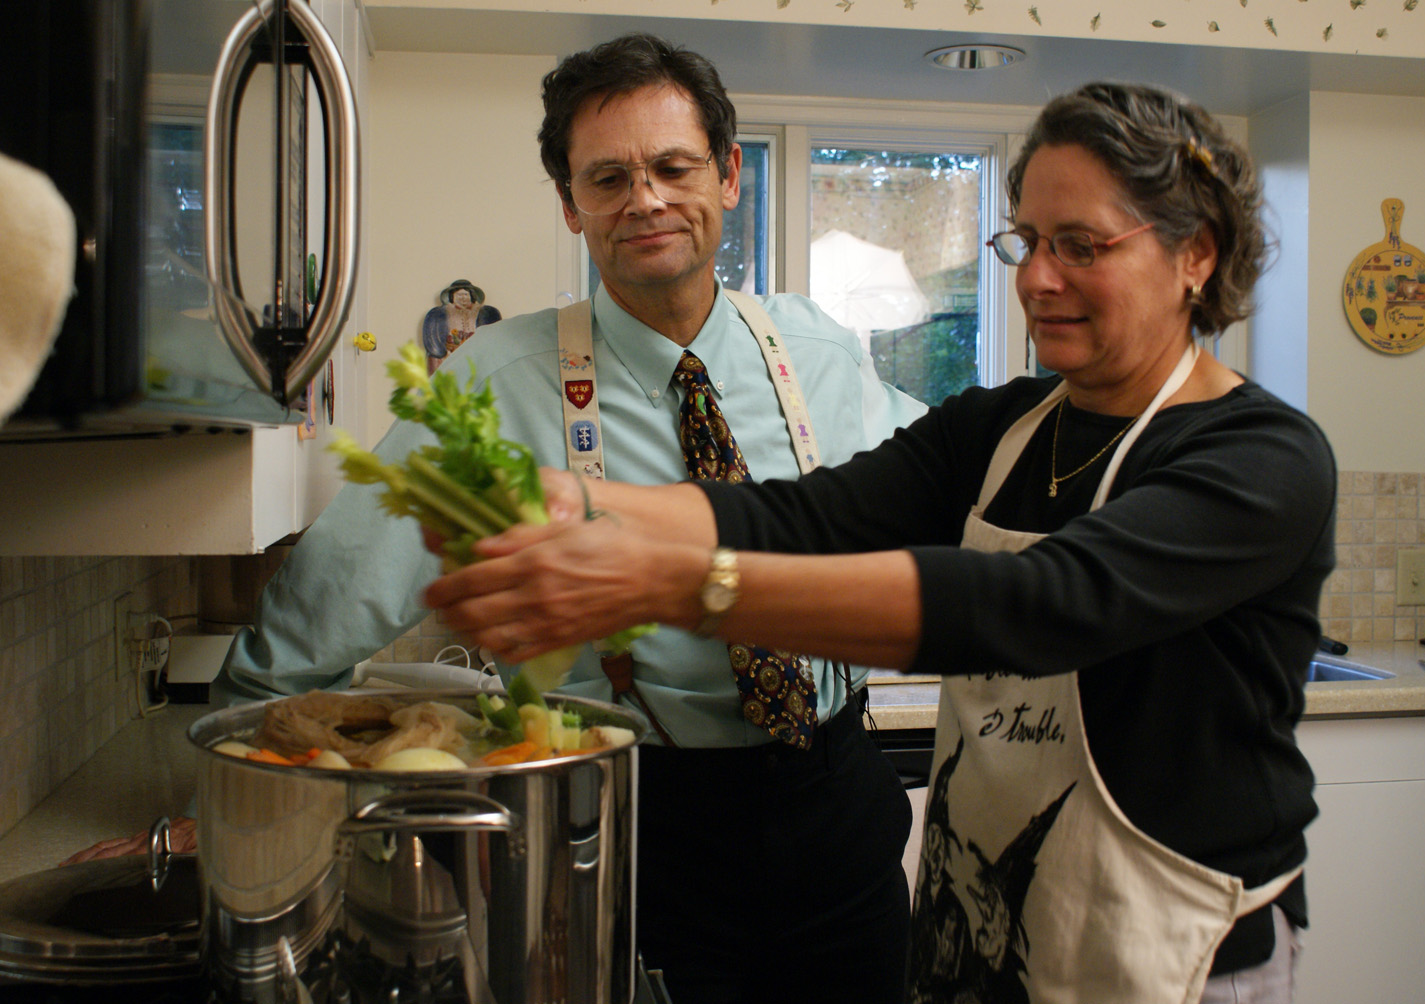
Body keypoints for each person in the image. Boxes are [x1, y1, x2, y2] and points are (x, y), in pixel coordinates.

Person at [424, 81, 1336, 1004]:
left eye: (1081, 247)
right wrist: (573, 507)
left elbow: (1034, 605)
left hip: (1171, 951)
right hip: (981, 930)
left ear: (1196, 255)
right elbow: (802, 516)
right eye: (1025, 242)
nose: (1037, 278)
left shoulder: (1260, 457)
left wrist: (666, 583)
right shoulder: (1003, 427)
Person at [91, 32, 919, 1004]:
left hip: (836, 804)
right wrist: (234, 789)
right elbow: (337, 587)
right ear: (571, 205)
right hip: (625, 816)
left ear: (730, 175)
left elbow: (954, 489)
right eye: (608, 176)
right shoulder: (495, 377)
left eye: (672, 166)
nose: (645, 196)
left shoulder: (813, 347)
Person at [422, 278, 501, 374]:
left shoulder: (484, 312)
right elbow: (435, 343)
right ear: (452, 297)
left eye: (465, 294)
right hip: (450, 355)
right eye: (459, 295)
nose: (463, 298)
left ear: (472, 296)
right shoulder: (441, 313)